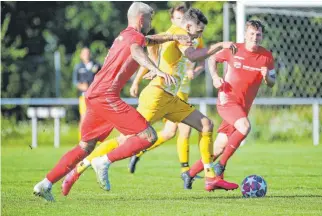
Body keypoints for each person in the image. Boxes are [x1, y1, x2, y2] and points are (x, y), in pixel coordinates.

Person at [33, 2, 191, 202]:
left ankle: (45, 184)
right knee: (148, 136)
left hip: (94, 95)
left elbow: (150, 41)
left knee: (85, 147)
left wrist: (174, 36)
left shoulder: (125, 35)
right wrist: (157, 70)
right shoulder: (135, 39)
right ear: (141, 19)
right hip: (107, 96)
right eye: (149, 20)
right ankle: (104, 161)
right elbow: (137, 51)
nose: (151, 24)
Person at [90, 8, 239, 192]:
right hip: (157, 95)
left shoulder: (174, 33)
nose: (199, 36)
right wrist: (220, 45)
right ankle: (90, 163)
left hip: (170, 97)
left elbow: (152, 44)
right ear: (189, 25)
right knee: (126, 138)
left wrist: (156, 65)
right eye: (199, 31)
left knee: (205, 125)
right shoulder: (180, 33)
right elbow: (192, 55)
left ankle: (209, 178)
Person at [181, 20, 276, 189]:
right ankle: (221, 166)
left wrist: (267, 76)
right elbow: (212, 59)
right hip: (227, 100)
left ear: (262, 36)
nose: (255, 37)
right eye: (252, 34)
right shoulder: (234, 49)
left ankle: (190, 174)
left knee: (218, 147)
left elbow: (272, 82)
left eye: (258, 34)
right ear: (245, 34)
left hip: (242, 107)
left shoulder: (267, 57)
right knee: (245, 127)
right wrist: (215, 77)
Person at [128, 4, 205, 175]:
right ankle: (186, 171)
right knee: (184, 129)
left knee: (170, 133)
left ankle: (138, 152)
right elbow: (152, 60)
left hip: (182, 90)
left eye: (182, 18)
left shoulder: (196, 38)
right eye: (177, 18)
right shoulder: (170, 37)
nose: (180, 21)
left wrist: (195, 70)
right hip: (168, 91)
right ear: (172, 20)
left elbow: (201, 61)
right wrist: (136, 82)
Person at [72, 47, 100, 138]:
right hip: (84, 96)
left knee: (96, 119)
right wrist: (82, 86)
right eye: (84, 53)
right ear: (81, 55)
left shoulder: (96, 65)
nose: (86, 55)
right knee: (83, 118)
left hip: (95, 96)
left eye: (88, 53)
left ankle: (94, 139)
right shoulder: (78, 67)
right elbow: (75, 82)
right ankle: (82, 139)